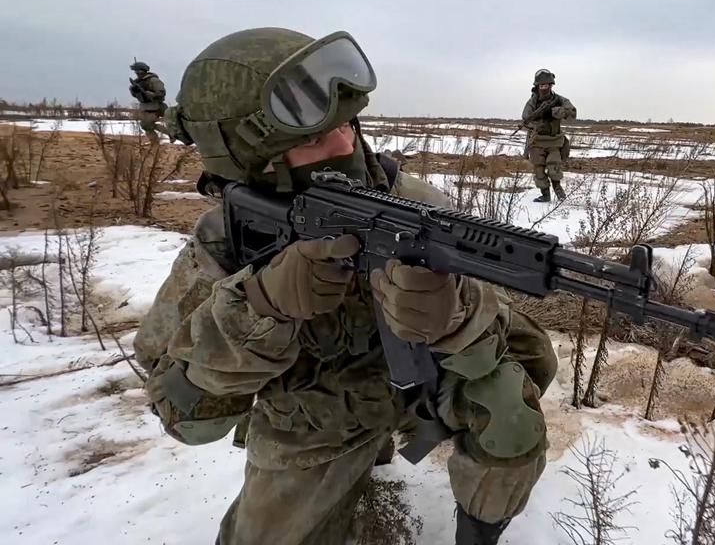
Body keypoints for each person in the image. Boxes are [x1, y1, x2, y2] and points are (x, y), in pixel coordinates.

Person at [133, 27, 557, 545]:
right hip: (311, 420)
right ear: (251, 162)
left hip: (420, 387)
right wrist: (260, 306)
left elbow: (532, 353)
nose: (345, 144)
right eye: (312, 138)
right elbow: (185, 417)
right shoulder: (224, 242)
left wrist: (459, 314)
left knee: (510, 408)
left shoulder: (416, 203)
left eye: (349, 125)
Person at [521, 69, 576, 202]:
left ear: (551, 85)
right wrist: (535, 124)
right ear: (537, 86)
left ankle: (558, 190)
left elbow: (572, 113)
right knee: (539, 170)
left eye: (547, 85)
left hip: (554, 141)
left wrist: (558, 112)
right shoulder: (532, 102)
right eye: (542, 85)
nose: (544, 88)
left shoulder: (559, 100)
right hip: (537, 141)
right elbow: (525, 118)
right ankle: (545, 195)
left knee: (554, 167)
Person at [128, 60, 167, 140]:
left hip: (156, 107)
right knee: (145, 126)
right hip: (146, 107)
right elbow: (139, 97)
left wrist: (150, 94)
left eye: (137, 71)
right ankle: (155, 145)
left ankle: (169, 134)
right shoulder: (138, 82)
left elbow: (161, 93)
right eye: (136, 72)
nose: (136, 73)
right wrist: (135, 92)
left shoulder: (153, 80)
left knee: (146, 125)